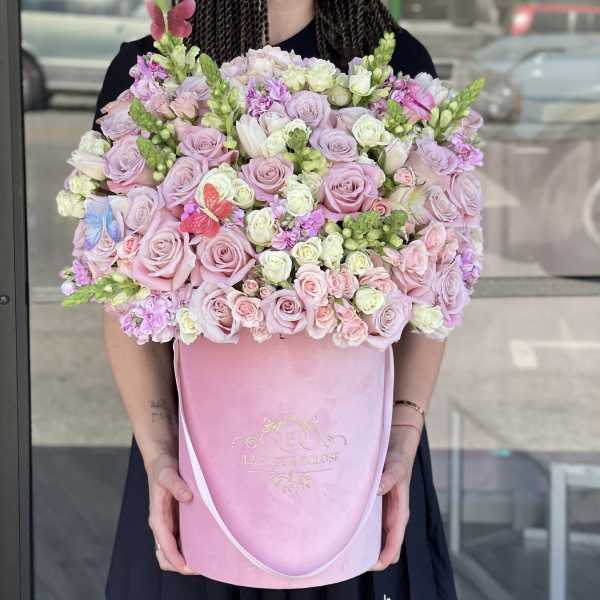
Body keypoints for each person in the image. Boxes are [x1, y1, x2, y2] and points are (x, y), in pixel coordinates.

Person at [97, 1, 458, 598]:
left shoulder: (395, 64)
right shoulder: (152, 70)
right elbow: (121, 289)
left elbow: (431, 279)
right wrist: (159, 450)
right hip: (201, 463)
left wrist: (402, 435)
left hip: (359, 460)